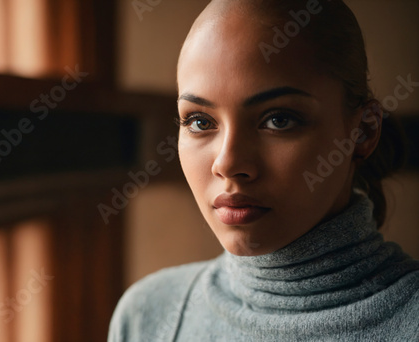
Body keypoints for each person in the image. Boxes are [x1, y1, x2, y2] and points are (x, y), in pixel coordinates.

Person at [108, 0, 419, 340]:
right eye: (200, 121)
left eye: (278, 120)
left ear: (363, 132)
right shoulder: (148, 315)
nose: (227, 163)